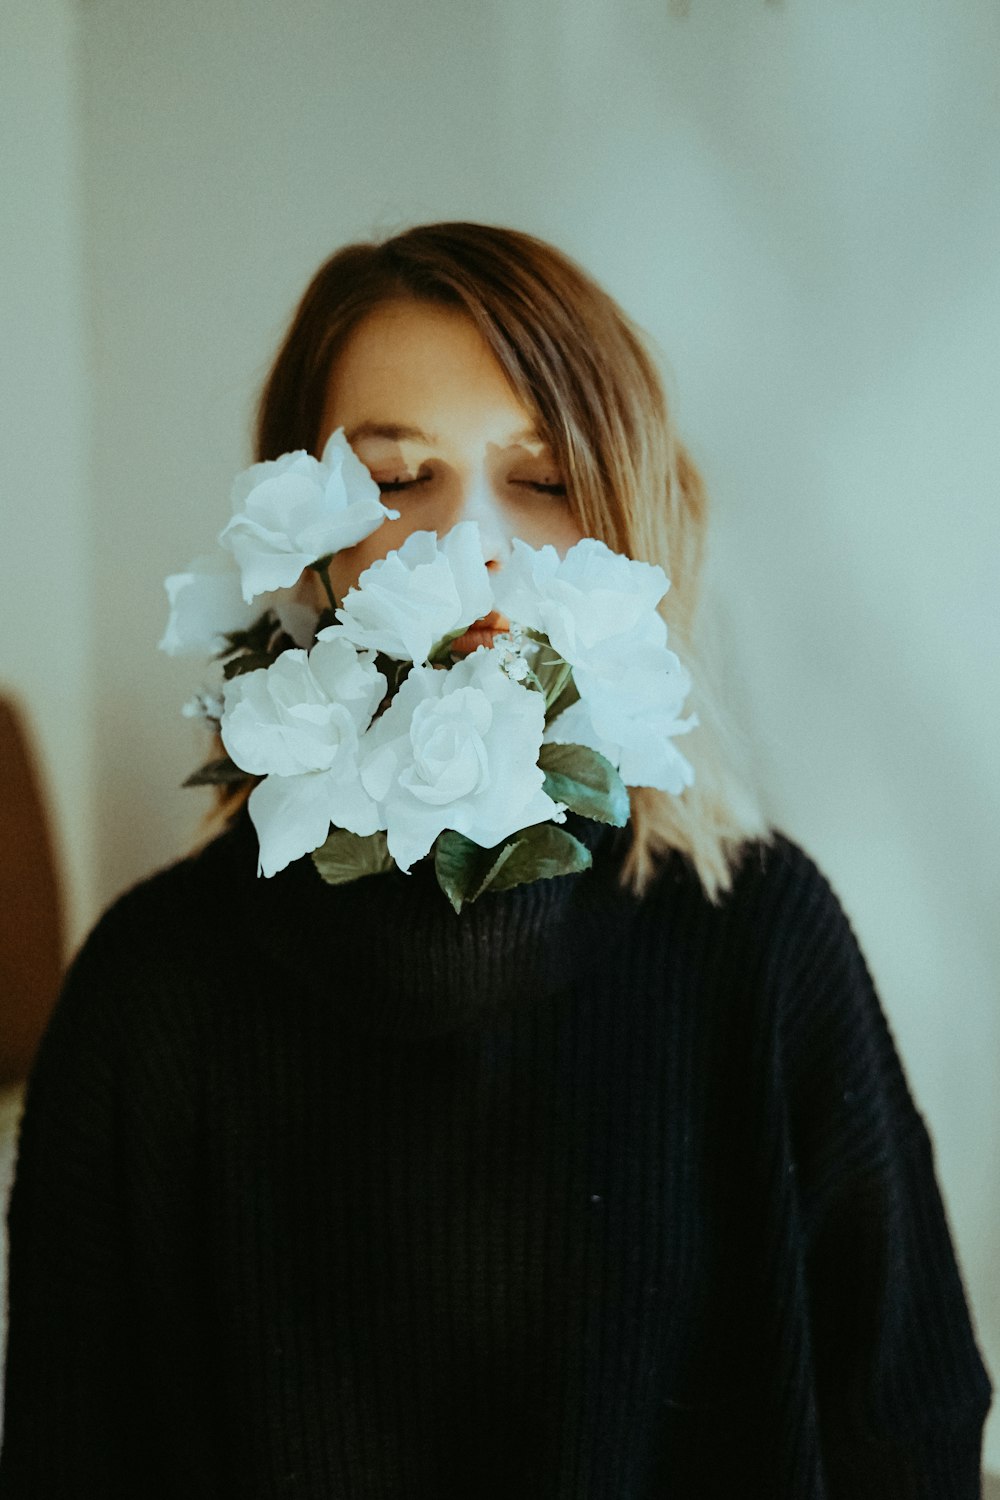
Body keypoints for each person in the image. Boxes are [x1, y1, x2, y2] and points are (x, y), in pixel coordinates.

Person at [0, 222, 991, 1497]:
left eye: (541, 479)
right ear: (303, 548)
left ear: (626, 524)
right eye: (398, 480)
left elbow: (905, 1425)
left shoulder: (760, 936)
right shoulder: (151, 992)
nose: (467, 539)